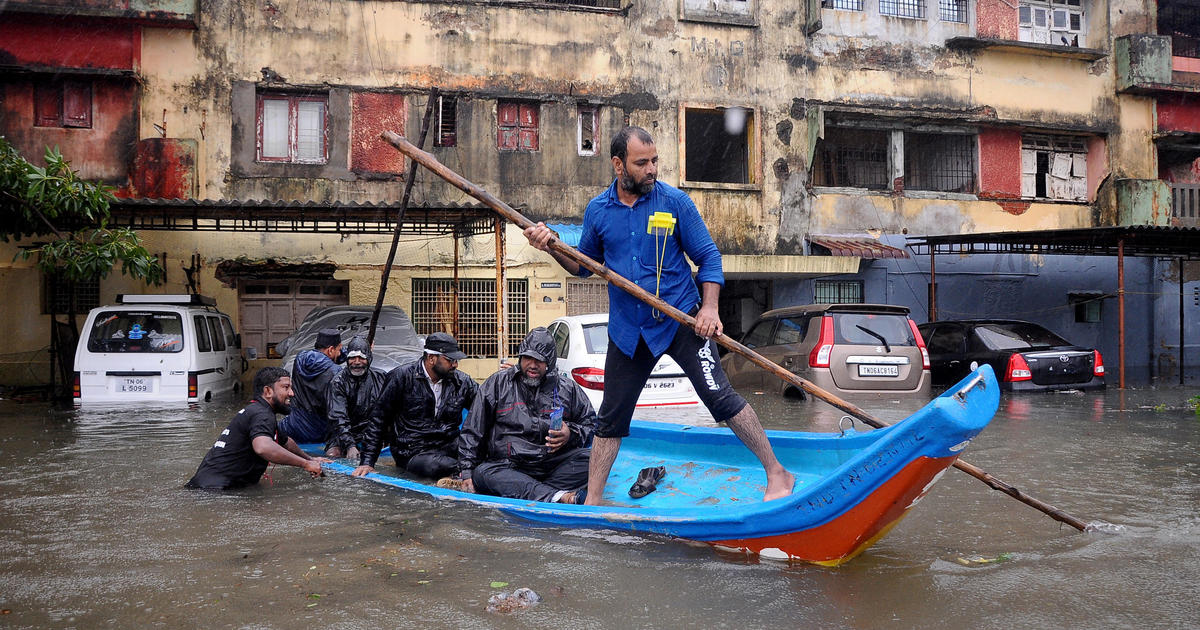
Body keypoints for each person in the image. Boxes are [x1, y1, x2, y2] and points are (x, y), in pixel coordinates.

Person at [523, 126, 794, 506]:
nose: (651, 170)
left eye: (654, 162)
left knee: (721, 399)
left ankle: (778, 472)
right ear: (619, 165)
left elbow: (709, 258)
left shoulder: (674, 202)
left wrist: (710, 309)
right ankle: (594, 501)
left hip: (682, 321)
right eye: (641, 163)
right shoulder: (599, 211)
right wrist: (550, 245)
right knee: (610, 419)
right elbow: (582, 266)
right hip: (629, 332)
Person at [454, 327, 595, 504]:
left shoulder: (568, 388)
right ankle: (557, 496)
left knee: (593, 460)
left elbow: (591, 426)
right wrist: (466, 471)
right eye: (528, 358)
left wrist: (571, 434)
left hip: (551, 465)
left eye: (539, 360)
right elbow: (473, 430)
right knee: (483, 473)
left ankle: (533, 491)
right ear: (520, 357)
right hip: (509, 466)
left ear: (550, 362)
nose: (533, 365)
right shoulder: (498, 383)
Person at [352, 332, 477, 480]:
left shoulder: (462, 381)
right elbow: (379, 419)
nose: (455, 365)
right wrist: (367, 462)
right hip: (413, 452)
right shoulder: (401, 377)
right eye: (450, 360)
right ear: (431, 358)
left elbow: (485, 408)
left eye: (456, 361)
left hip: (449, 446)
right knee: (437, 466)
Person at [186, 366, 330, 489]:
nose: (291, 393)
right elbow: (263, 447)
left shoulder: (258, 411)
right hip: (215, 491)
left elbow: (285, 442)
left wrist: (311, 459)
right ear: (268, 391)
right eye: (286, 387)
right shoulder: (262, 414)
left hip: (209, 487)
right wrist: (305, 464)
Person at [278, 328, 343, 451]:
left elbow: (326, 358)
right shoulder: (336, 372)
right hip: (318, 432)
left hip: (292, 427)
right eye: (339, 350)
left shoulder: (300, 359)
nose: (340, 354)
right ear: (330, 350)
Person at [325, 335, 387, 460]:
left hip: (373, 431)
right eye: (352, 358)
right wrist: (350, 445)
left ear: (369, 358)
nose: (357, 362)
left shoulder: (381, 377)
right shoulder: (338, 382)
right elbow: (338, 418)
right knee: (333, 454)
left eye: (361, 358)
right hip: (344, 434)